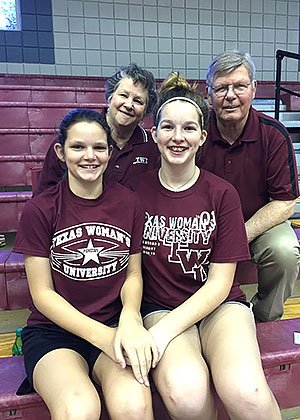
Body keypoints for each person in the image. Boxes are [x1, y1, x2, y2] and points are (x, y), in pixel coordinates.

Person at [132, 73, 281, 419]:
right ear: (154, 135)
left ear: (203, 136)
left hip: (220, 305)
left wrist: (164, 333)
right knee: (186, 393)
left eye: (188, 128)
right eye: (168, 127)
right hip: (161, 306)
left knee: (249, 392)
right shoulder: (135, 193)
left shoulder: (222, 194)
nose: (178, 137)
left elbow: (219, 283)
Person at [13, 109, 158, 420]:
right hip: (54, 333)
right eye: (78, 147)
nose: (89, 156)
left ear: (110, 151)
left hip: (113, 325)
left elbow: (133, 273)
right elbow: (42, 295)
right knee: (79, 408)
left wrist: (131, 316)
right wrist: (103, 337)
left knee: (133, 405)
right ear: (60, 152)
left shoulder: (129, 202)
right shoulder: (40, 210)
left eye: (99, 147)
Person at [200, 50, 300, 322]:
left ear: (254, 89)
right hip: (203, 223)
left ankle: (263, 318)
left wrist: (239, 235)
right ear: (209, 94)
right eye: (221, 88)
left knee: (284, 251)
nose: (230, 95)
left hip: (256, 223)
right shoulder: (195, 133)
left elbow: (285, 202)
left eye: (239, 86)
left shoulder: (274, 135)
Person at [34, 63, 160, 195]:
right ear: (110, 97)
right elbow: (44, 196)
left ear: (145, 111)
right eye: (123, 95)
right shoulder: (74, 138)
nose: (129, 105)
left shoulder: (153, 146)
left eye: (138, 101)